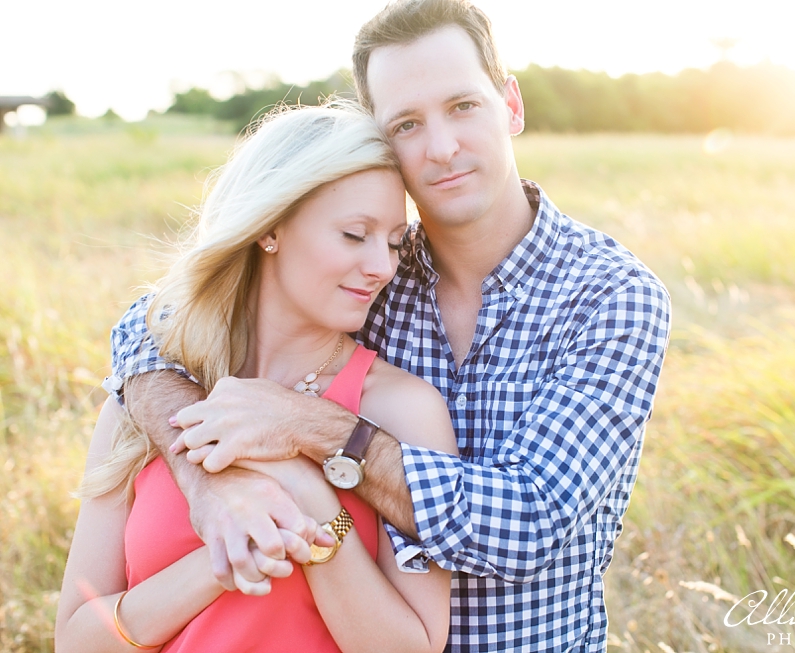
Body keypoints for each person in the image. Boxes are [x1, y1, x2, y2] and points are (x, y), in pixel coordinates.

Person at [103, 0, 671, 650]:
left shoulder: (610, 296)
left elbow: (530, 521)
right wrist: (203, 477)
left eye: (463, 106)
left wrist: (313, 428)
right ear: (380, 143)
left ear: (510, 105)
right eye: (406, 122)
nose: (441, 146)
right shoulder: (373, 272)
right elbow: (144, 331)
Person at [55, 104, 455, 652]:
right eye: (354, 234)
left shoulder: (401, 410)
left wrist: (306, 489)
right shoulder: (147, 397)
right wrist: (222, 557)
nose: (382, 267)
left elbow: (412, 647)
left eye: (391, 243)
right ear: (269, 227)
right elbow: (76, 641)